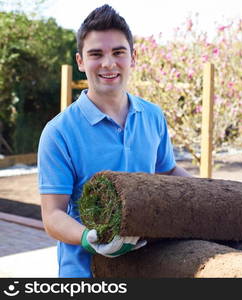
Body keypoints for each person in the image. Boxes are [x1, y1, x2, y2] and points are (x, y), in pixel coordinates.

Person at [38, 4, 191, 278]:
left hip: (148, 266)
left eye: (118, 52)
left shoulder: (153, 116)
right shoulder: (59, 132)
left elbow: (167, 171)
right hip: (85, 272)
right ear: (81, 61)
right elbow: (53, 216)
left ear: (133, 58)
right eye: (96, 54)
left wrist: (216, 194)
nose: (108, 63)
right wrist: (90, 238)